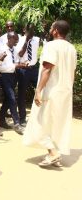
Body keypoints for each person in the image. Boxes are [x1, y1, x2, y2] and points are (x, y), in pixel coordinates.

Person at [23, 20, 77, 167]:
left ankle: (53, 153)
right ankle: (54, 153)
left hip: (51, 90)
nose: (50, 29)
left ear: (55, 31)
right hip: (65, 91)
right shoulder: (71, 48)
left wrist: (38, 90)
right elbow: (73, 72)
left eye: (52, 27)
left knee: (39, 121)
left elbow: (47, 69)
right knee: (56, 123)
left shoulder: (51, 46)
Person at [0, 32, 27, 135]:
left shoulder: (14, 50)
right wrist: (16, 66)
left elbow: (16, 61)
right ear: (9, 38)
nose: (17, 41)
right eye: (15, 39)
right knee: (12, 98)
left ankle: (1, 119)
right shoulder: (1, 49)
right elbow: (0, 66)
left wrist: (21, 64)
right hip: (4, 76)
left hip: (13, 76)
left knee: (7, 99)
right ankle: (17, 123)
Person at [16, 23, 40, 126]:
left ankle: (40, 116)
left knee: (41, 90)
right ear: (24, 30)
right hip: (23, 70)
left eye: (32, 30)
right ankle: (22, 118)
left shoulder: (37, 40)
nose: (30, 32)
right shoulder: (19, 40)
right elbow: (20, 54)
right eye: (28, 30)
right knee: (22, 94)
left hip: (34, 69)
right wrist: (26, 41)